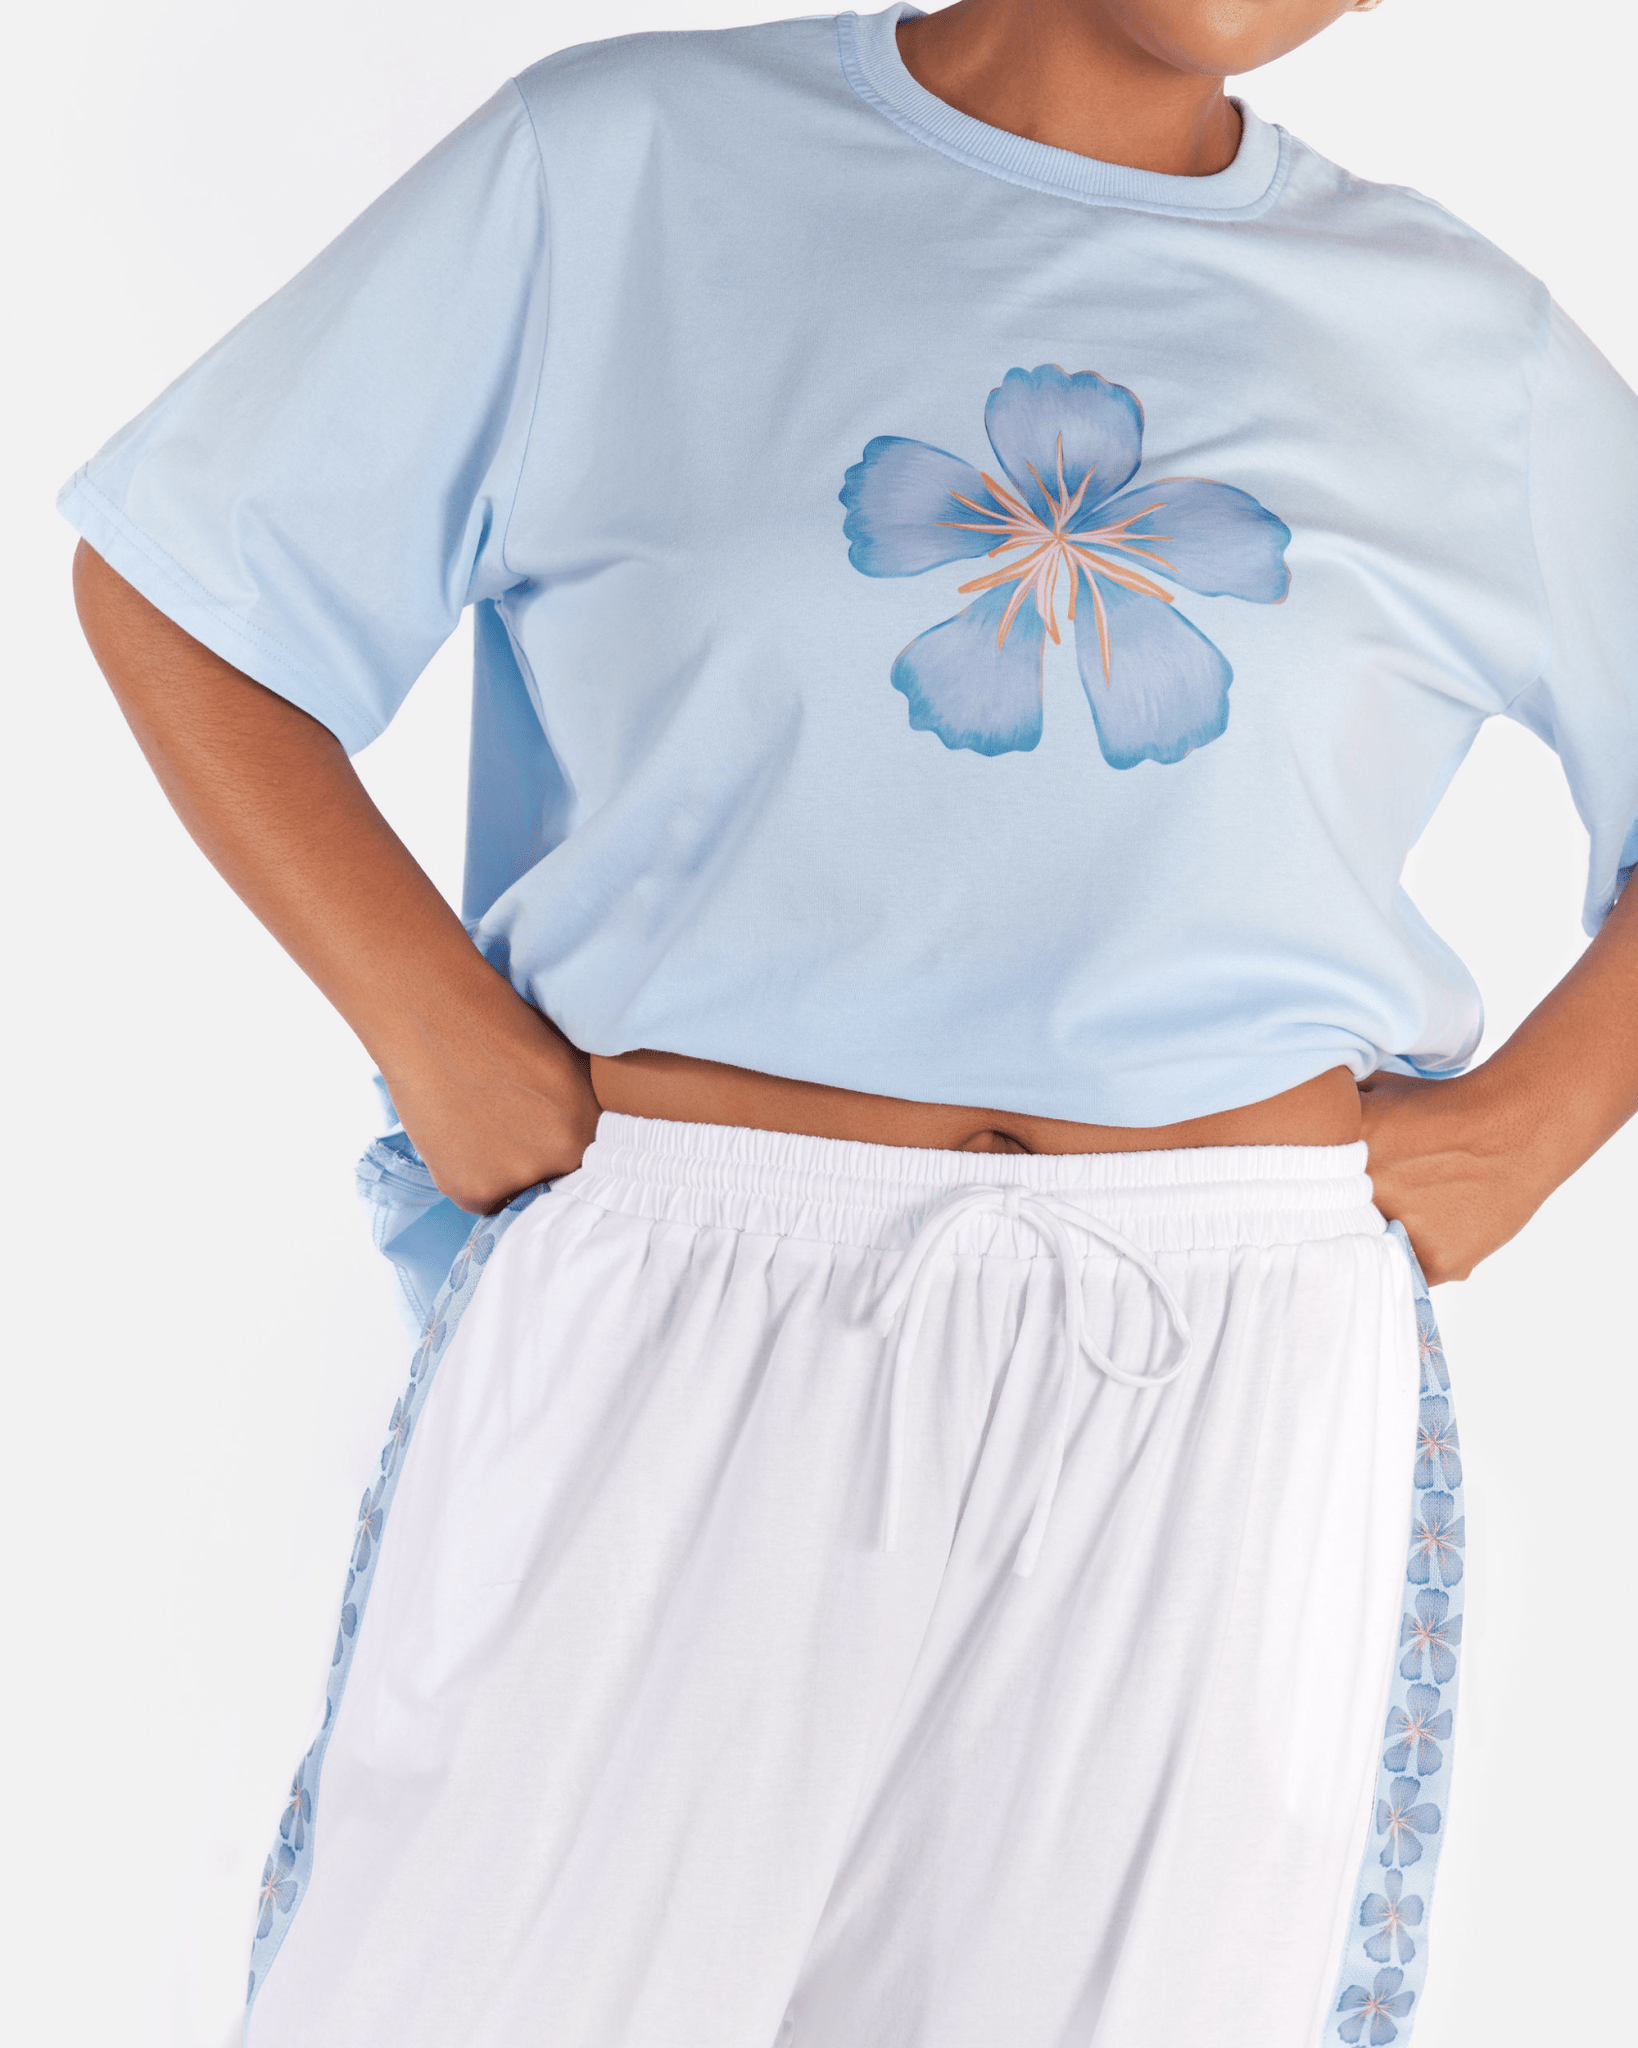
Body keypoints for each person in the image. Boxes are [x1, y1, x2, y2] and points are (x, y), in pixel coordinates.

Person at [61, 1, 1638, 2042]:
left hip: (1226, 1356)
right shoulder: (622, 166)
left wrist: (1540, 1118)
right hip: (682, 1291)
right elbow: (188, 586)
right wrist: (432, 1024)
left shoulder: (1464, 346)